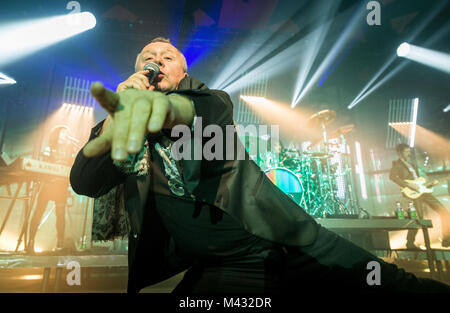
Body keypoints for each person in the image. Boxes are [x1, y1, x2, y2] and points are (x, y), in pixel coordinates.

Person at [70, 37, 449, 293]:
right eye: (147, 60)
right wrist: (116, 120)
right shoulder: (123, 128)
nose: (156, 62)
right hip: (223, 264)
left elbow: (192, 114)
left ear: (183, 73)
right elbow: (84, 182)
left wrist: (159, 108)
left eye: (166, 57)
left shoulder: (210, 101)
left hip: (284, 240)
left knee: (390, 283)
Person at [389, 143, 450, 249]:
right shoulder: (396, 164)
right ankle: (410, 243)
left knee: (444, 212)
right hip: (413, 194)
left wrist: (431, 183)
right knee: (418, 218)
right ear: (399, 153)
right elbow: (392, 177)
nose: (409, 154)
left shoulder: (412, 164)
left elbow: (420, 180)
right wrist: (408, 185)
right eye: (406, 151)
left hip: (423, 191)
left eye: (409, 151)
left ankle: (447, 240)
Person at [26, 126, 75, 254]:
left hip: (61, 186)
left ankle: (60, 243)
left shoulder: (69, 149)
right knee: (38, 212)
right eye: (63, 133)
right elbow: (44, 163)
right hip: (47, 185)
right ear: (57, 134)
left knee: (60, 215)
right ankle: (30, 242)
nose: (65, 135)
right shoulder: (50, 147)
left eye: (67, 133)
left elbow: (71, 165)